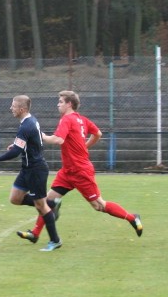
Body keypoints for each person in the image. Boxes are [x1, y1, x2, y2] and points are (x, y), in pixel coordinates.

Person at [18, 90, 142, 242]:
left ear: (69, 104)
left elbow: (58, 140)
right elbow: (98, 133)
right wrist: (85, 146)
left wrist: (40, 136)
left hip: (80, 171)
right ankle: (35, 233)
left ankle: (132, 218)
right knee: (48, 201)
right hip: (68, 171)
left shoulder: (67, 119)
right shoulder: (81, 120)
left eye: (61, 102)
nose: (58, 104)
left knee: (99, 205)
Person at [0, 95, 62, 252]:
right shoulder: (30, 121)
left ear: (21, 109)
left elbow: (16, 152)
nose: (11, 108)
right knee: (15, 198)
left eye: (13, 106)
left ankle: (55, 240)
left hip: (36, 170)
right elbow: (29, 143)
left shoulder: (26, 126)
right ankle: (51, 204)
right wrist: (16, 146)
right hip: (27, 169)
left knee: (40, 206)